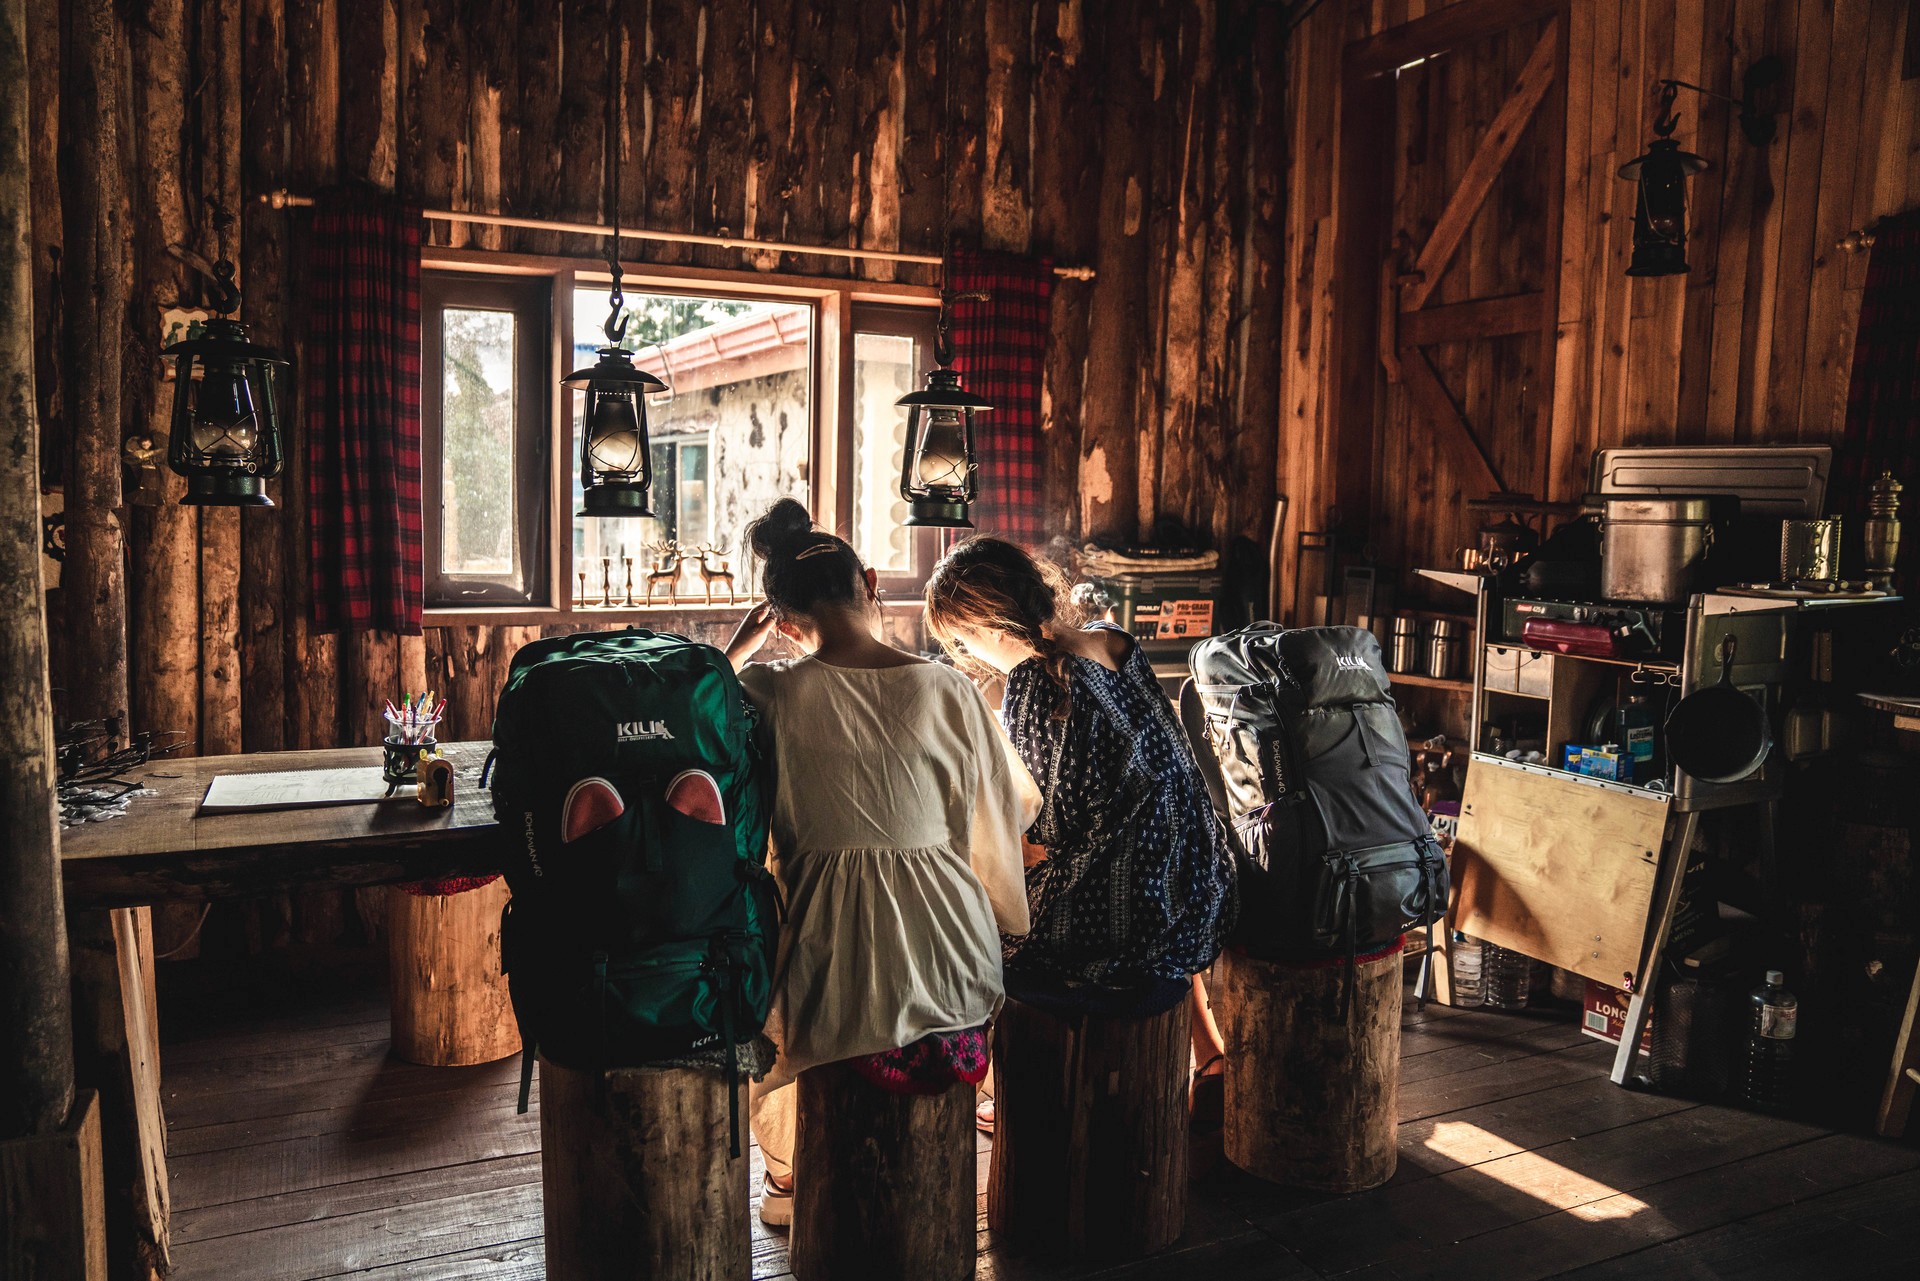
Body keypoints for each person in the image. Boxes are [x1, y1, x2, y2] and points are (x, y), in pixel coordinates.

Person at [722, 499, 1035, 1227]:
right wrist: (997, 919)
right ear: (871, 581)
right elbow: (1007, 817)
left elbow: (687, 694)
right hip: (954, 965)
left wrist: (737, 648)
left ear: (785, 621)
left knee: (773, 1013)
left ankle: (790, 1178)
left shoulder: (767, 693)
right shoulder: (949, 689)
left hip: (830, 982)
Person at [923, 536, 1237, 1131]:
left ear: (984, 621)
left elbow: (1047, 827)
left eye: (962, 638)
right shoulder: (1113, 642)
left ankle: (983, 1083)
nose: (968, 652)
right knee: (1126, 857)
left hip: (1123, 921)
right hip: (1197, 880)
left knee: (975, 916)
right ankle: (1209, 1054)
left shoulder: (1035, 682)